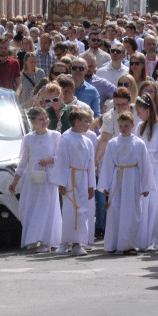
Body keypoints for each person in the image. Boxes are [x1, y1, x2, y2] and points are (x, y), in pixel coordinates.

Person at [98, 111, 154, 255]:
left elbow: (144, 165)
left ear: (132, 125)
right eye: (121, 126)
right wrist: (105, 185)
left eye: (126, 126)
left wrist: (146, 185)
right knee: (115, 210)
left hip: (132, 178)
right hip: (117, 178)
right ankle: (113, 244)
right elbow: (108, 164)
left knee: (131, 211)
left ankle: (128, 244)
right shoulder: (113, 143)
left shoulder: (139, 144)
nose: (124, 128)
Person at [9, 106, 62, 253]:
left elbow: (62, 156)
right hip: (32, 179)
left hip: (48, 179)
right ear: (33, 121)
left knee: (46, 208)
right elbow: (23, 162)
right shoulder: (28, 139)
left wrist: (50, 159)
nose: (45, 121)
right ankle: (32, 238)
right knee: (30, 208)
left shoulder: (55, 136)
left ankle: (46, 240)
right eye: (41, 119)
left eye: (46, 118)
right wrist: (15, 181)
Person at [52, 109, 96, 256]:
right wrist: (61, 183)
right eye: (86, 121)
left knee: (82, 211)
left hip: (83, 179)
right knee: (70, 211)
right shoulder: (66, 138)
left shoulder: (88, 141)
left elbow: (91, 165)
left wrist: (91, 186)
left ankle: (78, 244)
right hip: (70, 178)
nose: (88, 124)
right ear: (76, 122)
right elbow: (62, 161)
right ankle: (64, 242)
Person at [135, 94, 158, 250]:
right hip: (142, 168)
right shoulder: (139, 126)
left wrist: (147, 155)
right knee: (142, 204)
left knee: (156, 203)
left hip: (156, 170)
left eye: (140, 111)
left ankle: (156, 236)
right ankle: (141, 237)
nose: (138, 115)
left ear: (148, 110)